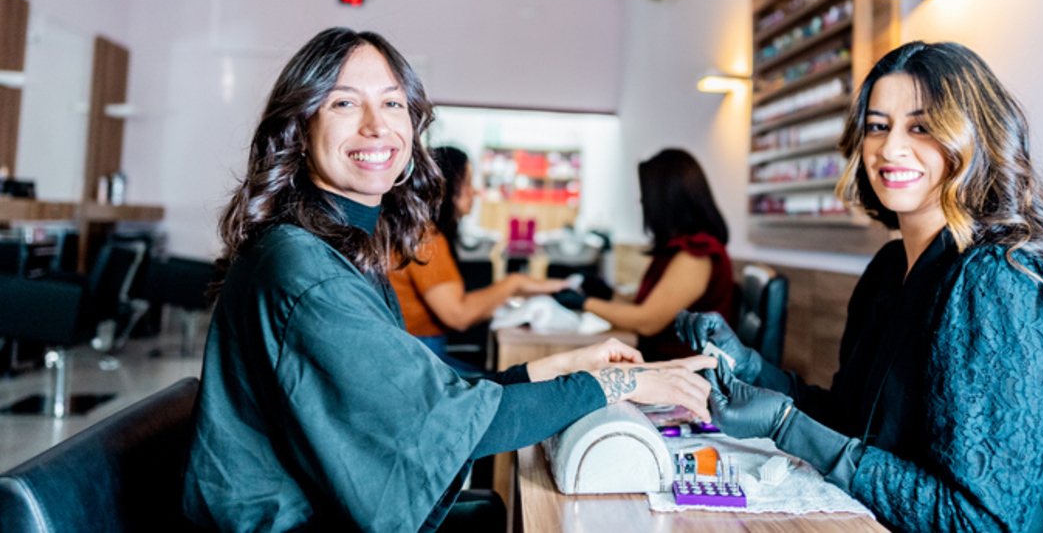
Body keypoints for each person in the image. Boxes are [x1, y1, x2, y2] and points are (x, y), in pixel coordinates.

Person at [181, 28, 713, 533]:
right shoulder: (305, 268)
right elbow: (441, 422)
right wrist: (620, 384)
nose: (376, 125)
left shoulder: (332, 248)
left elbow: (430, 405)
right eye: (345, 103)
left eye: (393, 103)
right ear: (299, 128)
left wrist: (564, 365)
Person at [679, 41, 1043, 532]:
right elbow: (852, 420)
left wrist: (787, 427)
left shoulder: (996, 282)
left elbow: (978, 523)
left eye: (921, 127)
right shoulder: (891, 267)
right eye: (878, 127)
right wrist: (750, 366)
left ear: (976, 138)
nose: (890, 148)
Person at [387, 146, 565, 370]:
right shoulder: (423, 237)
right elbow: (457, 314)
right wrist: (514, 283)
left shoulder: (418, 232)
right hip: (416, 355)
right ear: (446, 187)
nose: (475, 192)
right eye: (468, 182)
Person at [554, 148, 736, 362]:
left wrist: (584, 303)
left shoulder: (696, 253)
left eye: (647, 196)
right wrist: (607, 294)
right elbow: (647, 306)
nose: (642, 202)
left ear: (665, 199)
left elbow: (648, 321)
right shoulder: (678, 249)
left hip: (682, 371)